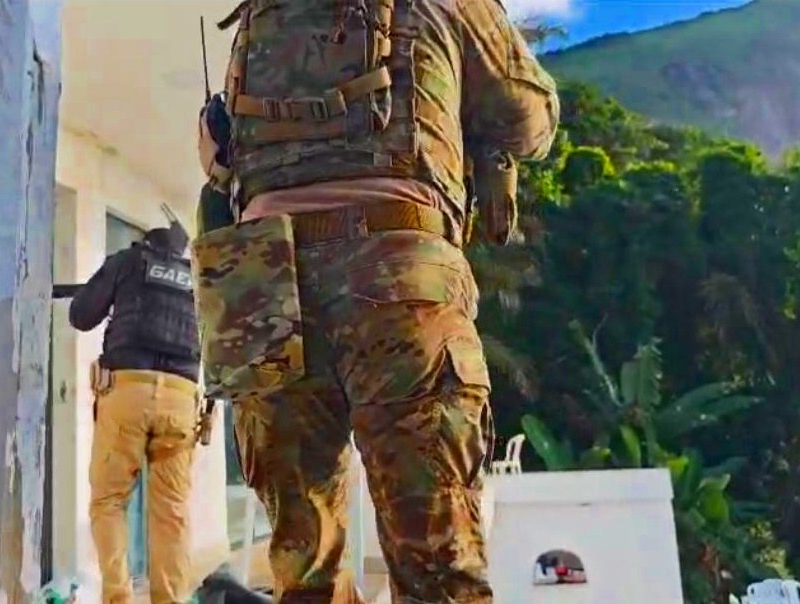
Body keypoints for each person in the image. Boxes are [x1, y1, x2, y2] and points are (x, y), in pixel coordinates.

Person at [194, 0, 558, 601]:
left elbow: (218, 156)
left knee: (305, 570)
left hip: (258, 283)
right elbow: (526, 118)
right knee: (438, 568)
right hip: (397, 269)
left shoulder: (261, 12)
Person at [68, 219, 200, 604]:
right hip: (181, 399)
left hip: (127, 393)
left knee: (109, 500)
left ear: (146, 243)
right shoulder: (200, 276)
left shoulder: (127, 261)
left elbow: (81, 316)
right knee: (171, 511)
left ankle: (118, 597)